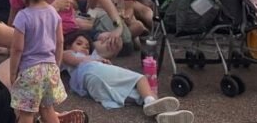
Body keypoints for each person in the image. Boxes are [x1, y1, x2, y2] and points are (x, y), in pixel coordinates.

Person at [62, 32, 191, 122]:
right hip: (93, 71)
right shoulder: (69, 53)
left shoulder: (89, 58)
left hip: (93, 87)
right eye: (79, 43)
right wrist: (97, 59)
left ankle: (162, 116)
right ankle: (152, 102)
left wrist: (100, 59)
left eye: (87, 46)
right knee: (141, 79)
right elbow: (72, 59)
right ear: (68, 45)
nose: (84, 47)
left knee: (139, 95)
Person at [9, 0, 66, 123]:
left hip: (30, 71)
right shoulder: (53, 12)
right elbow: (60, 42)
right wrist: (56, 65)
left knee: (26, 113)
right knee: (48, 110)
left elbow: (17, 49)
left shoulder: (23, 16)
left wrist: (13, 73)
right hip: (50, 69)